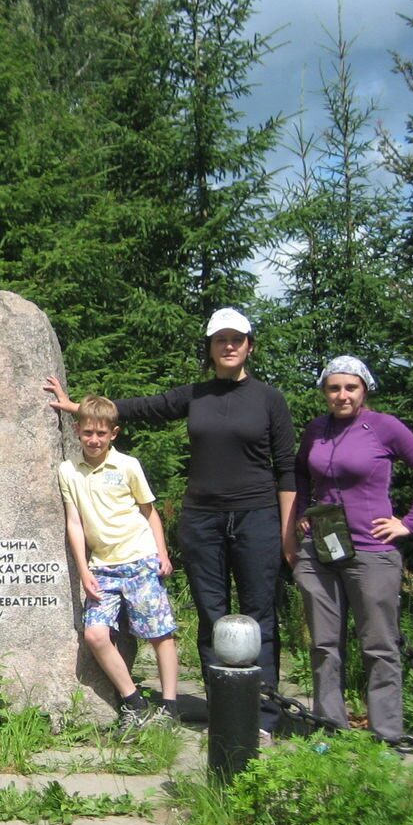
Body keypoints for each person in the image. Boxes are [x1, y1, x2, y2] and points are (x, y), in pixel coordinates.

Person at [46, 308, 295, 737]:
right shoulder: (196, 394)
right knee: (212, 615)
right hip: (203, 520)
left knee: (258, 615)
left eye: (237, 339)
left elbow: (287, 468)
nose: (229, 346)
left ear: (249, 345)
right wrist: (80, 410)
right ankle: (223, 712)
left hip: (257, 517)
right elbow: (147, 407)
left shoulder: (269, 399)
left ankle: (262, 716)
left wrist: (288, 532)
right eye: (221, 340)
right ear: (211, 348)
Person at [283, 355, 413, 741]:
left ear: (364, 389)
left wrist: (409, 522)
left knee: (379, 645)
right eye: (334, 388)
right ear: (325, 391)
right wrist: (305, 510)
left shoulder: (384, 427)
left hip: (372, 550)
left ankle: (387, 735)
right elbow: (301, 472)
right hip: (321, 549)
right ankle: (331, 730)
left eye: (350, 387)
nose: (342, 395)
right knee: (324, 644)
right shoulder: (316, 429)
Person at [58, 396, 179, 730]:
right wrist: (83, 569)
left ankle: (169, 706)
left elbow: (149, 511)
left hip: (139, 558)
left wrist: (162, 553)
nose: (94, 440)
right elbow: (75, 523)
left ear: (114, 433)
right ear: (77, 431)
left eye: (101, 433)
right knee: (96, 635)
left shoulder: (127, 465)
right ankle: (134, 703)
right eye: (87, 433)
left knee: (160, 634)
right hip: (101, 567)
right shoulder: (68, 470)